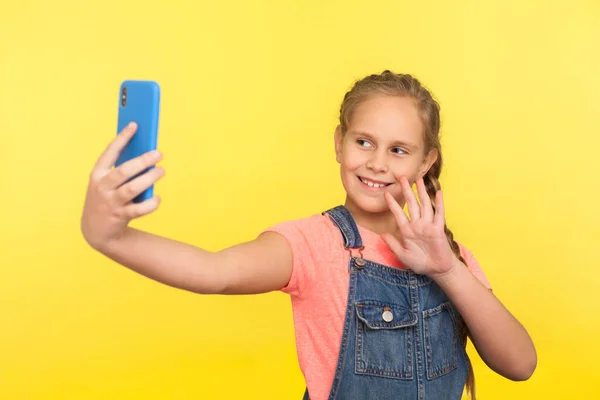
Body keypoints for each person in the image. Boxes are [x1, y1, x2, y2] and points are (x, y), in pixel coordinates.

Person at [81, 70, 537, 400]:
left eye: (398, 150)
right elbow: (214, 271)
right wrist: (111, 237)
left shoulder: (448, 252)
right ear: (339, 142)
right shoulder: (313, 245)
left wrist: (447, 270)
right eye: (364, 142)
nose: (377, 162)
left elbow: (520, 365)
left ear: (426, 162)